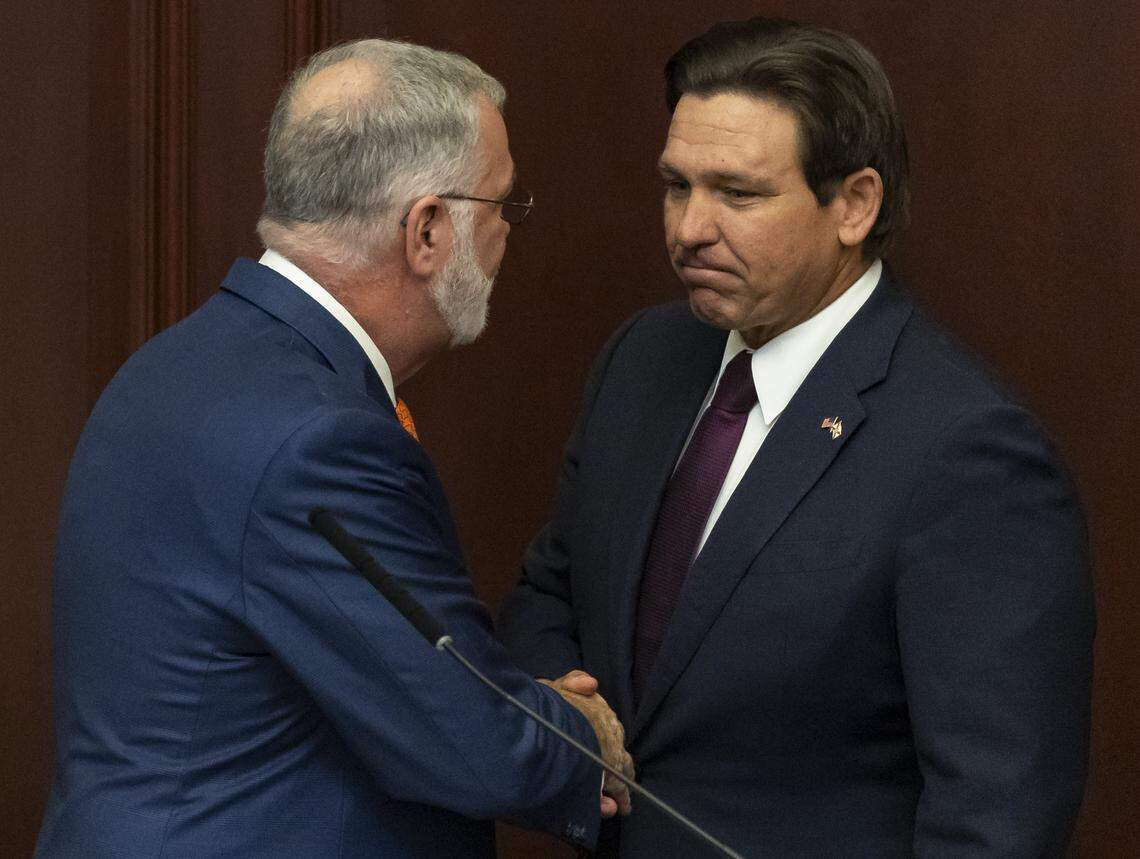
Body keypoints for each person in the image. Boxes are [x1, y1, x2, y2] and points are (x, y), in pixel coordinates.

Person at [499, 16, 1094, 857]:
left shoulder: (969, 451)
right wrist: (566, 699)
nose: (689, 228)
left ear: (854, 204)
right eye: (677, 186)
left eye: (737, 194)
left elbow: (998, 812)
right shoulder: (642, 359)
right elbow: (552, 588)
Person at [35, 39, 632, 858]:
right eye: (503, 205)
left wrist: (511, 700)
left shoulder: (173, 362)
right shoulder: (323, 438)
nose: (505, 234)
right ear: (427, 230)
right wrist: (577, 730)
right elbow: (476, 743)